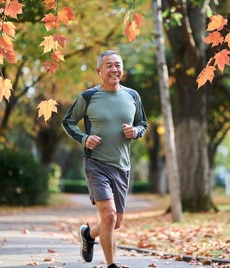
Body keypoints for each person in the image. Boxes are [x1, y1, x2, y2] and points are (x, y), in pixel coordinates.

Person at [62, 50, 148, 268]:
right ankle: (111, 265)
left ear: (122, 69)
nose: (114, 69)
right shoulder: (88, 97)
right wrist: (84, 138)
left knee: (115, 222)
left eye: (118, 65)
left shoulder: (133, 96)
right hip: (96, 163)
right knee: (108, 216)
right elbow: (68, 121)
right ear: (99, 71)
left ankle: (88, 235)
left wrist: (135, 132)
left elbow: (143, 124)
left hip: (122, 165)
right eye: (108, 65)